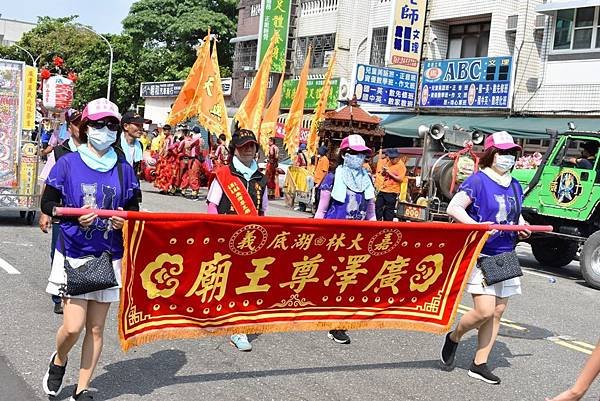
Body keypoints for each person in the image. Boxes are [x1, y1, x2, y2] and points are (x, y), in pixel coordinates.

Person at [40, 98, 140, 401]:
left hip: (109, 255)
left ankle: (82, 389)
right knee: (73, 327)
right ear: (85, 127)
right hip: (73, 251)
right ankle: (59, 361)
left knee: (96, 329)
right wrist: (70, 213)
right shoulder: (67, 162)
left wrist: (124, 220)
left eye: (111, 125)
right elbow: (48, 204)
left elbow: (134, 207)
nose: (105, 130)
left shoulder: (123, 168)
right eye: (98, 124)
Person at [440, 131, 531, 385]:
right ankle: (455, 336)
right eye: (503, 153)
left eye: (512, 153)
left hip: (506, 253)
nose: (508, 158)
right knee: (484, 311)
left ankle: (479, 363)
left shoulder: (514, 184)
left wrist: (522, 226)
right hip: (482, 253)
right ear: (491, 155)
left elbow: (515, 213)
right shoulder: (478, 181)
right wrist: (477, 227)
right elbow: (454, 207)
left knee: (498, 311)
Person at [206, 128, 268, 352]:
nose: (249, 150)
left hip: (251, 238)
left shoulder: (261, 178)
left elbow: (263, 211)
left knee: (244, 282)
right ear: (235, 149)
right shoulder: (224, 174)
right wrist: (216, 230)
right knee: (224, 277)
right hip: (226, 235)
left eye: (252, 146)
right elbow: (212, 204)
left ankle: (238, 328)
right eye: (244, 146)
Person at [314, 134, 376, 345]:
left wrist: (377, 235)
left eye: (362, 154)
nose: (358, 158)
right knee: (328, 277)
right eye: (354, 153)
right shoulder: (332, 178)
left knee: (348, 281)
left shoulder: (367, 180)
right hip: (333, 238)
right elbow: (321, 210)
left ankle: (337, 324)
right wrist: (315, 235)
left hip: (357, 240)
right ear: (344, 154)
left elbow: (371, 214)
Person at [38, 108, 82, 315]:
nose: (81, 128)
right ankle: (59, 295)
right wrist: (45, 212)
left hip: (88, 214)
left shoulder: (100, 152)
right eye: (77, 123)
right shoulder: (59, 151)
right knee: (58, 253)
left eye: (85, 123)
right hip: (63, 212)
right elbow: (49, 183)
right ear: (69, 126)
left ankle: (79, 291)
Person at [375, 148, 406, 221]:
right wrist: (384, 171)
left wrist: (390, 173)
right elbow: (383, 174)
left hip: (392, 191)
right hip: (383, 189)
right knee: (378, 206)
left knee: (389, 210)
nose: (391, 160)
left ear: (397, 157)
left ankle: (387, 224)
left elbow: (400, 179)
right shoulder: (388, 162)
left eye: (393, 158)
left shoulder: (401, 166)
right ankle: (378, 222)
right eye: (390, 158)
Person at [115, 111, 146, 176]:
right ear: (126, 126)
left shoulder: (139, 145)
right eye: (137, 125)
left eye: (142, 125)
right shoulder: (115, 145)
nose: (141, 128)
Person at [313, 145, 330, 211]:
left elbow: (325, 173)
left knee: (318, 198)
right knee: (316, 197)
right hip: (316, 180)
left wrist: (319, 183)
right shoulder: (320, 159)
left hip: (320, 182)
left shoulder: (325, 160)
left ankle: (317, 212)